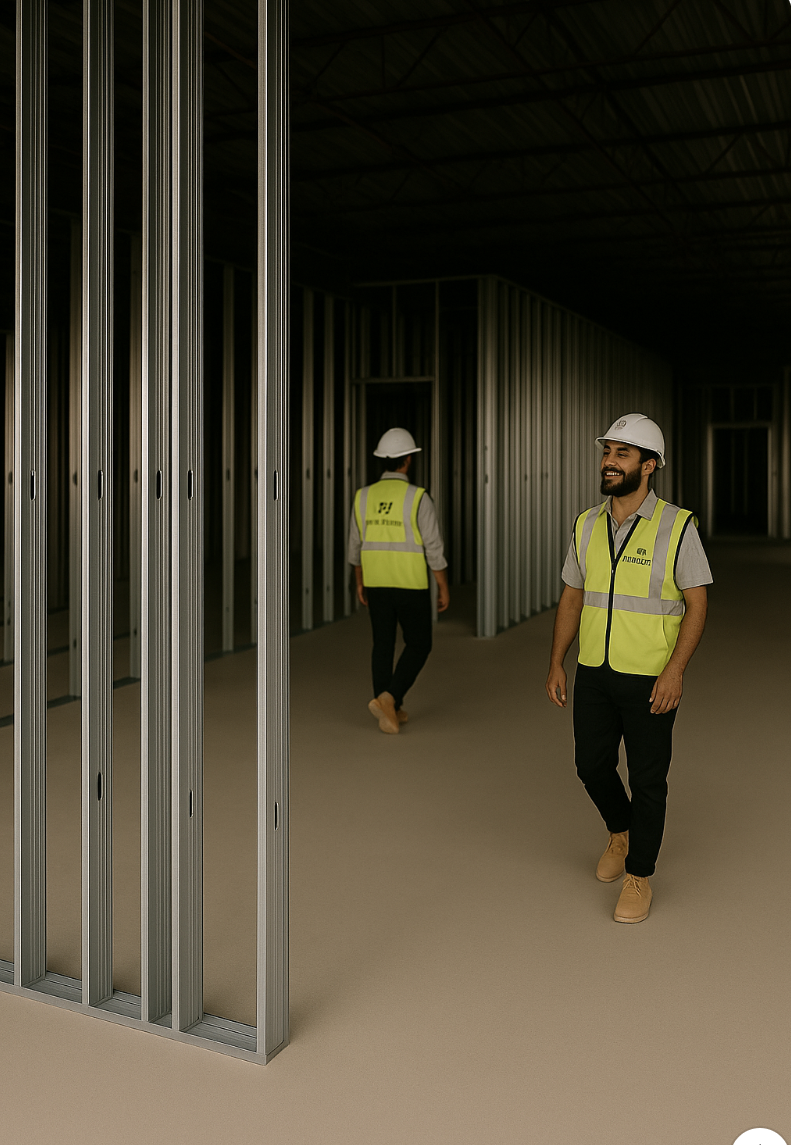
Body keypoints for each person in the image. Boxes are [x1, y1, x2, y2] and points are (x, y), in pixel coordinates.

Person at [545, 413, 712, 923]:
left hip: (650, 676)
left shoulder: (677, 526)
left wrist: (675, 670)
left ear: (650, 464)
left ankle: (639, 875)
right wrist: (557, 661)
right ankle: (620, 832)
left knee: (648, 779)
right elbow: (572, 597)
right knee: (590, 765)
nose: (609, 462)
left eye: (622, 453)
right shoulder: (586, 524)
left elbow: (697, 603)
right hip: (594, 671)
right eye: (607, 452)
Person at [348, 427, 450, 735]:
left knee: (382, 644)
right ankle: (390, 698)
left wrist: (360, 581)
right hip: (410, 584)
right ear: (408, 460)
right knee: (419, 643)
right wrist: (443, 585)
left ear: (383, 460)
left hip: (376, 582)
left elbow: (355, 546)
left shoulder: (363, 497)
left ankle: (389, 708)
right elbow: (433, 547)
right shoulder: (418, 498)